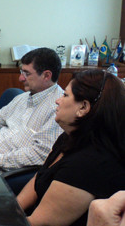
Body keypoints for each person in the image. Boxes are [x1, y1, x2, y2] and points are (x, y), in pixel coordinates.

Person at [16, 70, 125, 226]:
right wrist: (12, 209)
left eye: (65, 95)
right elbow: (40, 177)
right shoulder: (70, 136)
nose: (57, 101)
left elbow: (38, 223)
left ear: (83, 107)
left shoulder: (88, 165)